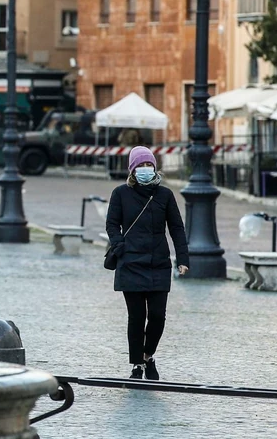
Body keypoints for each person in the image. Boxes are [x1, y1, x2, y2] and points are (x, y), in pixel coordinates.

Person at [105, 146, 189, 380]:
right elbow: (112, 223)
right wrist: (119, 244)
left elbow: (176, 228)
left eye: (148, 165)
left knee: (158, 316)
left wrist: (182, 258)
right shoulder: (120, 193)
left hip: (158, 263)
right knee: (136, 317)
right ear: (132, 169)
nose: (145, 169)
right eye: (140, 165)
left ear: (154, 167)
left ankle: (148, 355)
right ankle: (137, 364)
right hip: (130, 262)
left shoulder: (165, 195)